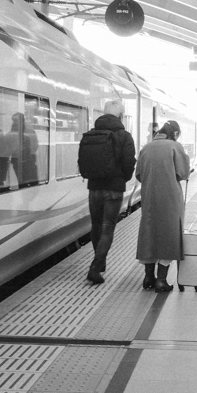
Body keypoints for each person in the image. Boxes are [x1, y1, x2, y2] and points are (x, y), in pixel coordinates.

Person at [78, 99, 136, 285]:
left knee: (96, 225)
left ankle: (99, 261)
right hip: (114, 189)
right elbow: (129, 163)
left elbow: (82, 161)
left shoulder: (92, 133)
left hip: (94, 187)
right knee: (107, 227)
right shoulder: (124, 136)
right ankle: (95, 267)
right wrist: (123, 179)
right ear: (120, 116)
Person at [136, 120, 190, 291]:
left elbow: (138, 174)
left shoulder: (146, 147)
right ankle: (161, 280)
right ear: (174, 133)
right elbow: (183, 173)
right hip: (170, 197)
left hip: (149, 196)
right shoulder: (175, 147)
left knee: (149, 232)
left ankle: (148, 278)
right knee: (169, 234)